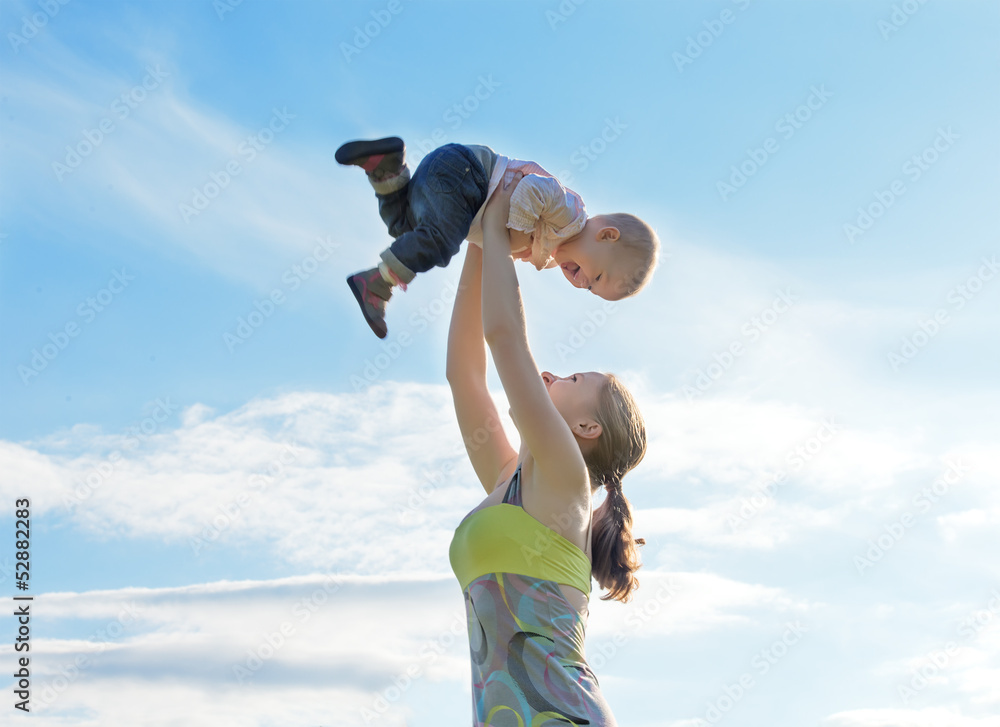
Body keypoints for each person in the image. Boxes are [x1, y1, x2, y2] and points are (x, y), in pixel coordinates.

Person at [446, 172, 648, 725]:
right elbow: (465, 376)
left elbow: (505, 339)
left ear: (587, 430)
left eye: (576, 380)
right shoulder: (513, 482)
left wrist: (496, 220)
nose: (556, 373)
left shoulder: (566, 478)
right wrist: (480, 244)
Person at [336, 136, 659, 338]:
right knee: (440, 241)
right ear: (606, 235)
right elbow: (535, 187)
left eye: (590, 289)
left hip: (449, 187)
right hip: (467, 174)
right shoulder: (571, 215)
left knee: (405, 230)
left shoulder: (549, 251)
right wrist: (509, 234)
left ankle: (386, 168)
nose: (582, 282)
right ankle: (378, 283)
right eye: (597, 276)